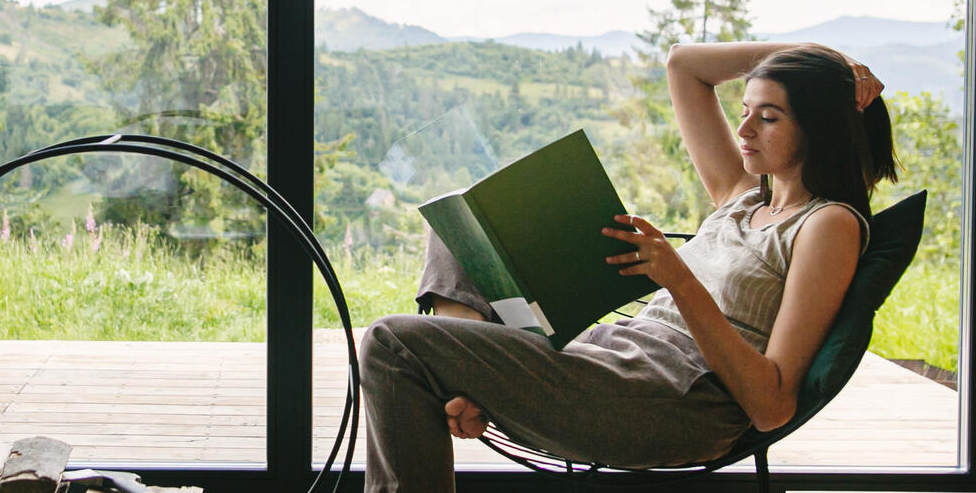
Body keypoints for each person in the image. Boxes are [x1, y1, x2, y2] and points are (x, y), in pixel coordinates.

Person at [358, 42, 898, 492]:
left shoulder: (827, 225)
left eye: (770, 116)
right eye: (745, 112)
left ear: (819, 127)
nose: (745, 129)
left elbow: (772, 404)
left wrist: (678, 278)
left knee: (391, 342)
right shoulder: (741, 195)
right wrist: (821, 60)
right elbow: (683, 65)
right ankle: (473, 386)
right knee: (455, 233)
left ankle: (470, 382)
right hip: (608, 356)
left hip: (671, 400)